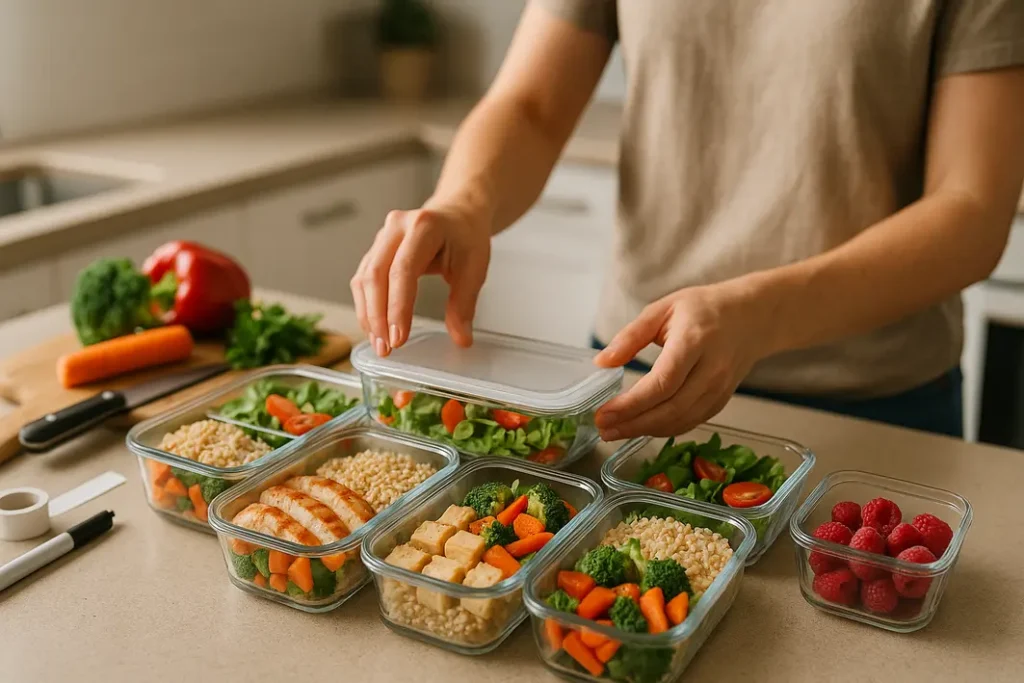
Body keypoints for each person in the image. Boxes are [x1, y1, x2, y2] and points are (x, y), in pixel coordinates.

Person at [351, 0, 1024, 440]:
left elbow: (969, 209)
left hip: (869, 408)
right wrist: (466, 200)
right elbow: (531, 105)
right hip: (638, 380)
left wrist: (759, 312)